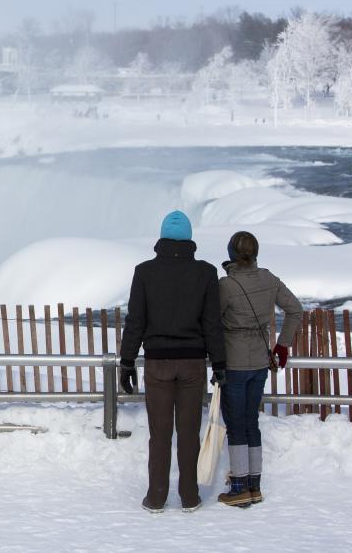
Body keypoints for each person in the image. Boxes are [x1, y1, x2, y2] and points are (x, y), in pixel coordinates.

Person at [119, 210, 226, 513]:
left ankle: (156, 497)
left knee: (160, 433)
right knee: (189, 432)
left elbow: (136, 321)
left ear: (162, 238)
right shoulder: (205, 273)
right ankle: (190, 497)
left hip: (158, 364)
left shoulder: (144, 272)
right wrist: (219, 364)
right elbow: (212, 324)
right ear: (190, 239)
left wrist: (127, 362)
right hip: (193, 364)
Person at [216, 230, 301, 507]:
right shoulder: (269, 278)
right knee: (251, 421)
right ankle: (255, 485)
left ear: (231, 254)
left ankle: (239, 486)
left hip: (235, 361)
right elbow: (295, 310)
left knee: (236, 423)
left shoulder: (226, 286)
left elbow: (211, 320)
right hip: (260, 363)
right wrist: (282, 345)